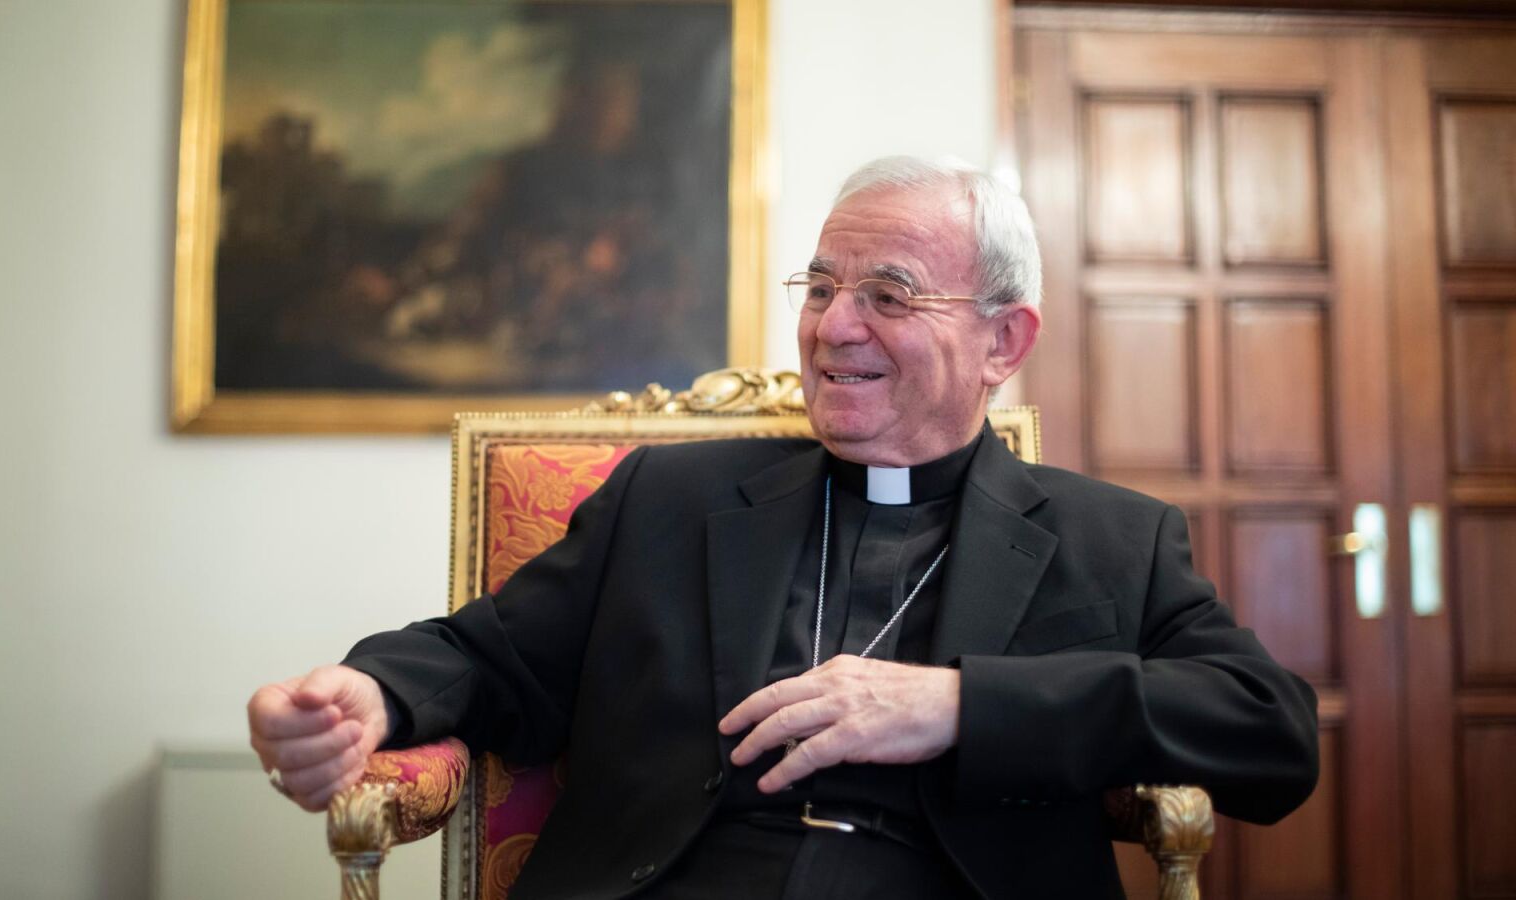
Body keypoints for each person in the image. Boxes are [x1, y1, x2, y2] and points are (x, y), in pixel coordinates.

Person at [248, 156, 1320, 899]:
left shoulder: (1111, 540)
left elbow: (1270, 733)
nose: (832, 326)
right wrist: (368, 694)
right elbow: (491, 659)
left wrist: (962, 705)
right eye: (820, 287)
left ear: (1003, 341)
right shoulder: (670, 499)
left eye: (888, 296)